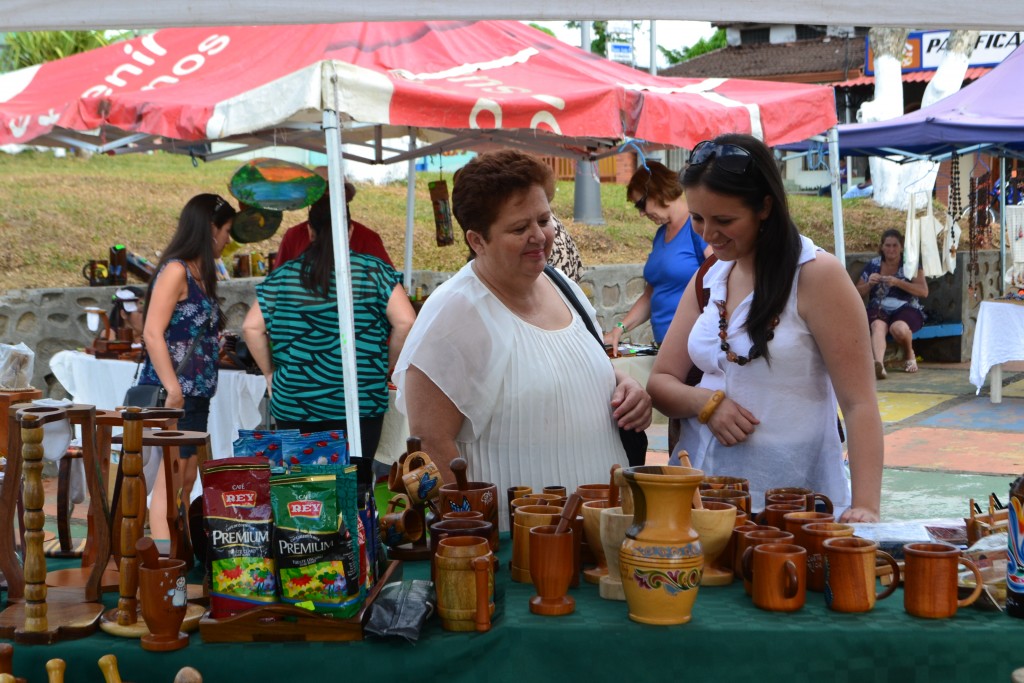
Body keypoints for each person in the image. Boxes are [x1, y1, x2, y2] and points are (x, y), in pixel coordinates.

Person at [394, 149, 652, 530]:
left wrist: (625, 387)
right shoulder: (455, 313)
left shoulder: (563, 286)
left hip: (598, 533)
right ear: (477, 240)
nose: (540, 237)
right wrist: (473, 537)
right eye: (519, 229)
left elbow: (581, 369)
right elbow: (429, 443)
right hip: (517, 547)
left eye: (545, 220)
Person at [646, 134, 883, 523]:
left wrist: (866, 507)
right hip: (699, 501)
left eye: (724, 220)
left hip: (790, 506)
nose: (708, 234)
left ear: (765, 207)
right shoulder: (709, 276)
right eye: (698, 218)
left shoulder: (817, 277)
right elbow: (662, 382)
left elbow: (859, 404)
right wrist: (707, 405)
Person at [243, 195, 416, 495]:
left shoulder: (283, 276)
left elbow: (251, 327)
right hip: (359, 400)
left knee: (304, 492)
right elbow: (407, 322)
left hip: (295, 402)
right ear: (350, 230)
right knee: (356, 490)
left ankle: (308, 540)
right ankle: (356, 541)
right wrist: (383, 367)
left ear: (310, 231)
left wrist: (271, 375)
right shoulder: (374, 272)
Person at [138, 193, 236, 535]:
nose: (228, 239)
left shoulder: (201, 273)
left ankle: (177, 552)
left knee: (186, 477)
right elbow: (152, 332)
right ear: (211, 229)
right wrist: (173, 388)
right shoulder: (177, 270)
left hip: (196, 395)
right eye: (226, 231)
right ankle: (166, 568)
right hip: (175, 396)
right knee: (171, 477)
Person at [604, 161, 710, 354]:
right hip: (666, 345)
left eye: (641, 204)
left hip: (694, 344)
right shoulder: (661, 235)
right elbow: (651, 294)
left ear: (657, 190)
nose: (642, 213)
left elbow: (721, 277)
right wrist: (619, 328)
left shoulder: (697, 227)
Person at [273, 170, 393, 269]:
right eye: (324, 193)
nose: (329, 197)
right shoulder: (294, 236)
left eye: (334, 192)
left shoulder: (367, 238)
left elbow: (389, 285)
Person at [857, 229, 928, 378]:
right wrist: (869, 284)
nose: (891, 249)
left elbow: (923, 291)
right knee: (877, 326)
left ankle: (909, 353)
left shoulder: (911, 265)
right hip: (879, 307)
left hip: (906, 307)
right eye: (887, 245)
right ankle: (879, 366)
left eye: (895, 245)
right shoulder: (873, 265)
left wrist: (897, 283)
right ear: (882, 247)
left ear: (901, 247)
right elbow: (856, 293)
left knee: (899, 328)